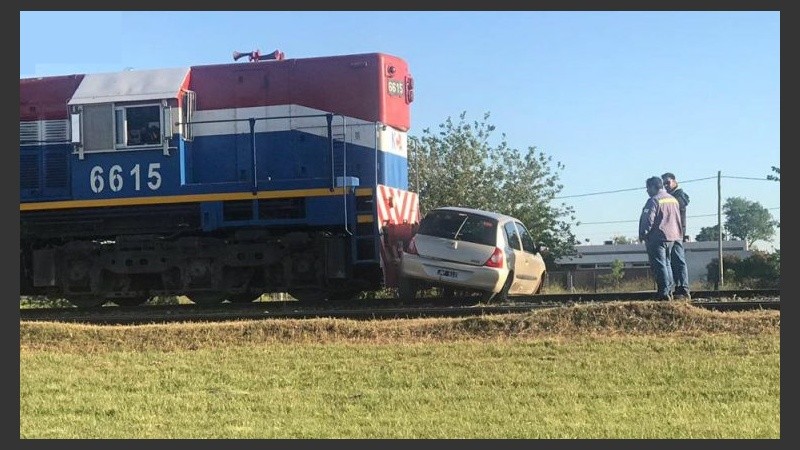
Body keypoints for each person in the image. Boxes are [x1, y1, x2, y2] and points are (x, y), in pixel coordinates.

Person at [639, 176, 683, 301]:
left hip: (658, 237)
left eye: (647, 188)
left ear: (653, 187)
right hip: (673, 237)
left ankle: (664, 293)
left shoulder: (653, 200)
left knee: (660, 265)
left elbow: (648, 219)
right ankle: (669, 290)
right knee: (667, 264)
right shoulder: (673, 199)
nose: (647, 191)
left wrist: (643, 233)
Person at [661, 172, 691, 299]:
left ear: (675, 181)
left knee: (678, 260)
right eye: (664, 184)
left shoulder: (679, 196)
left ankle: (683, 288)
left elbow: (678, 204)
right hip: (671, 232)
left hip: (677, 232)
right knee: (673, 261)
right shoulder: (671, 196)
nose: (666, 186)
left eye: (668, 182)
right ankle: (679, 287)